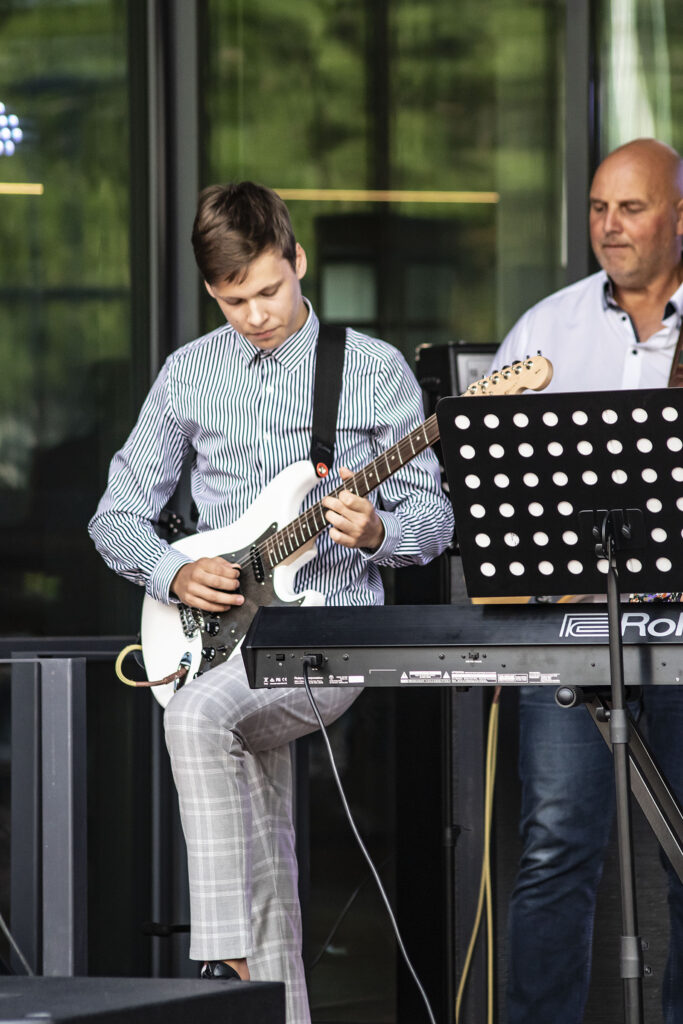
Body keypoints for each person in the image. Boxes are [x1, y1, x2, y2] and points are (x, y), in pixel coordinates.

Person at [88, 181, 454, 1024]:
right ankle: (278, 1006)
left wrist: (376, 532)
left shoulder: (370, 369)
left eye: (267, 290)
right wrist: (172, 574)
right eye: (232, 300)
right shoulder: (188, 373)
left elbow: (433, 521)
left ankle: (227, 963)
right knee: (258, 825)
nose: (254, 315)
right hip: (218, 635)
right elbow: (115, 515)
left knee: (196, 720)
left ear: (298, 261)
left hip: (332, 633)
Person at [492, 137, 683, 1023]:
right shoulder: (546, 328)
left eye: (630, 208)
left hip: (682, 628)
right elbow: (489, 474)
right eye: (599, 208)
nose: (608, 226)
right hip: (569, 627)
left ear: (678, 216)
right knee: (553, 850)